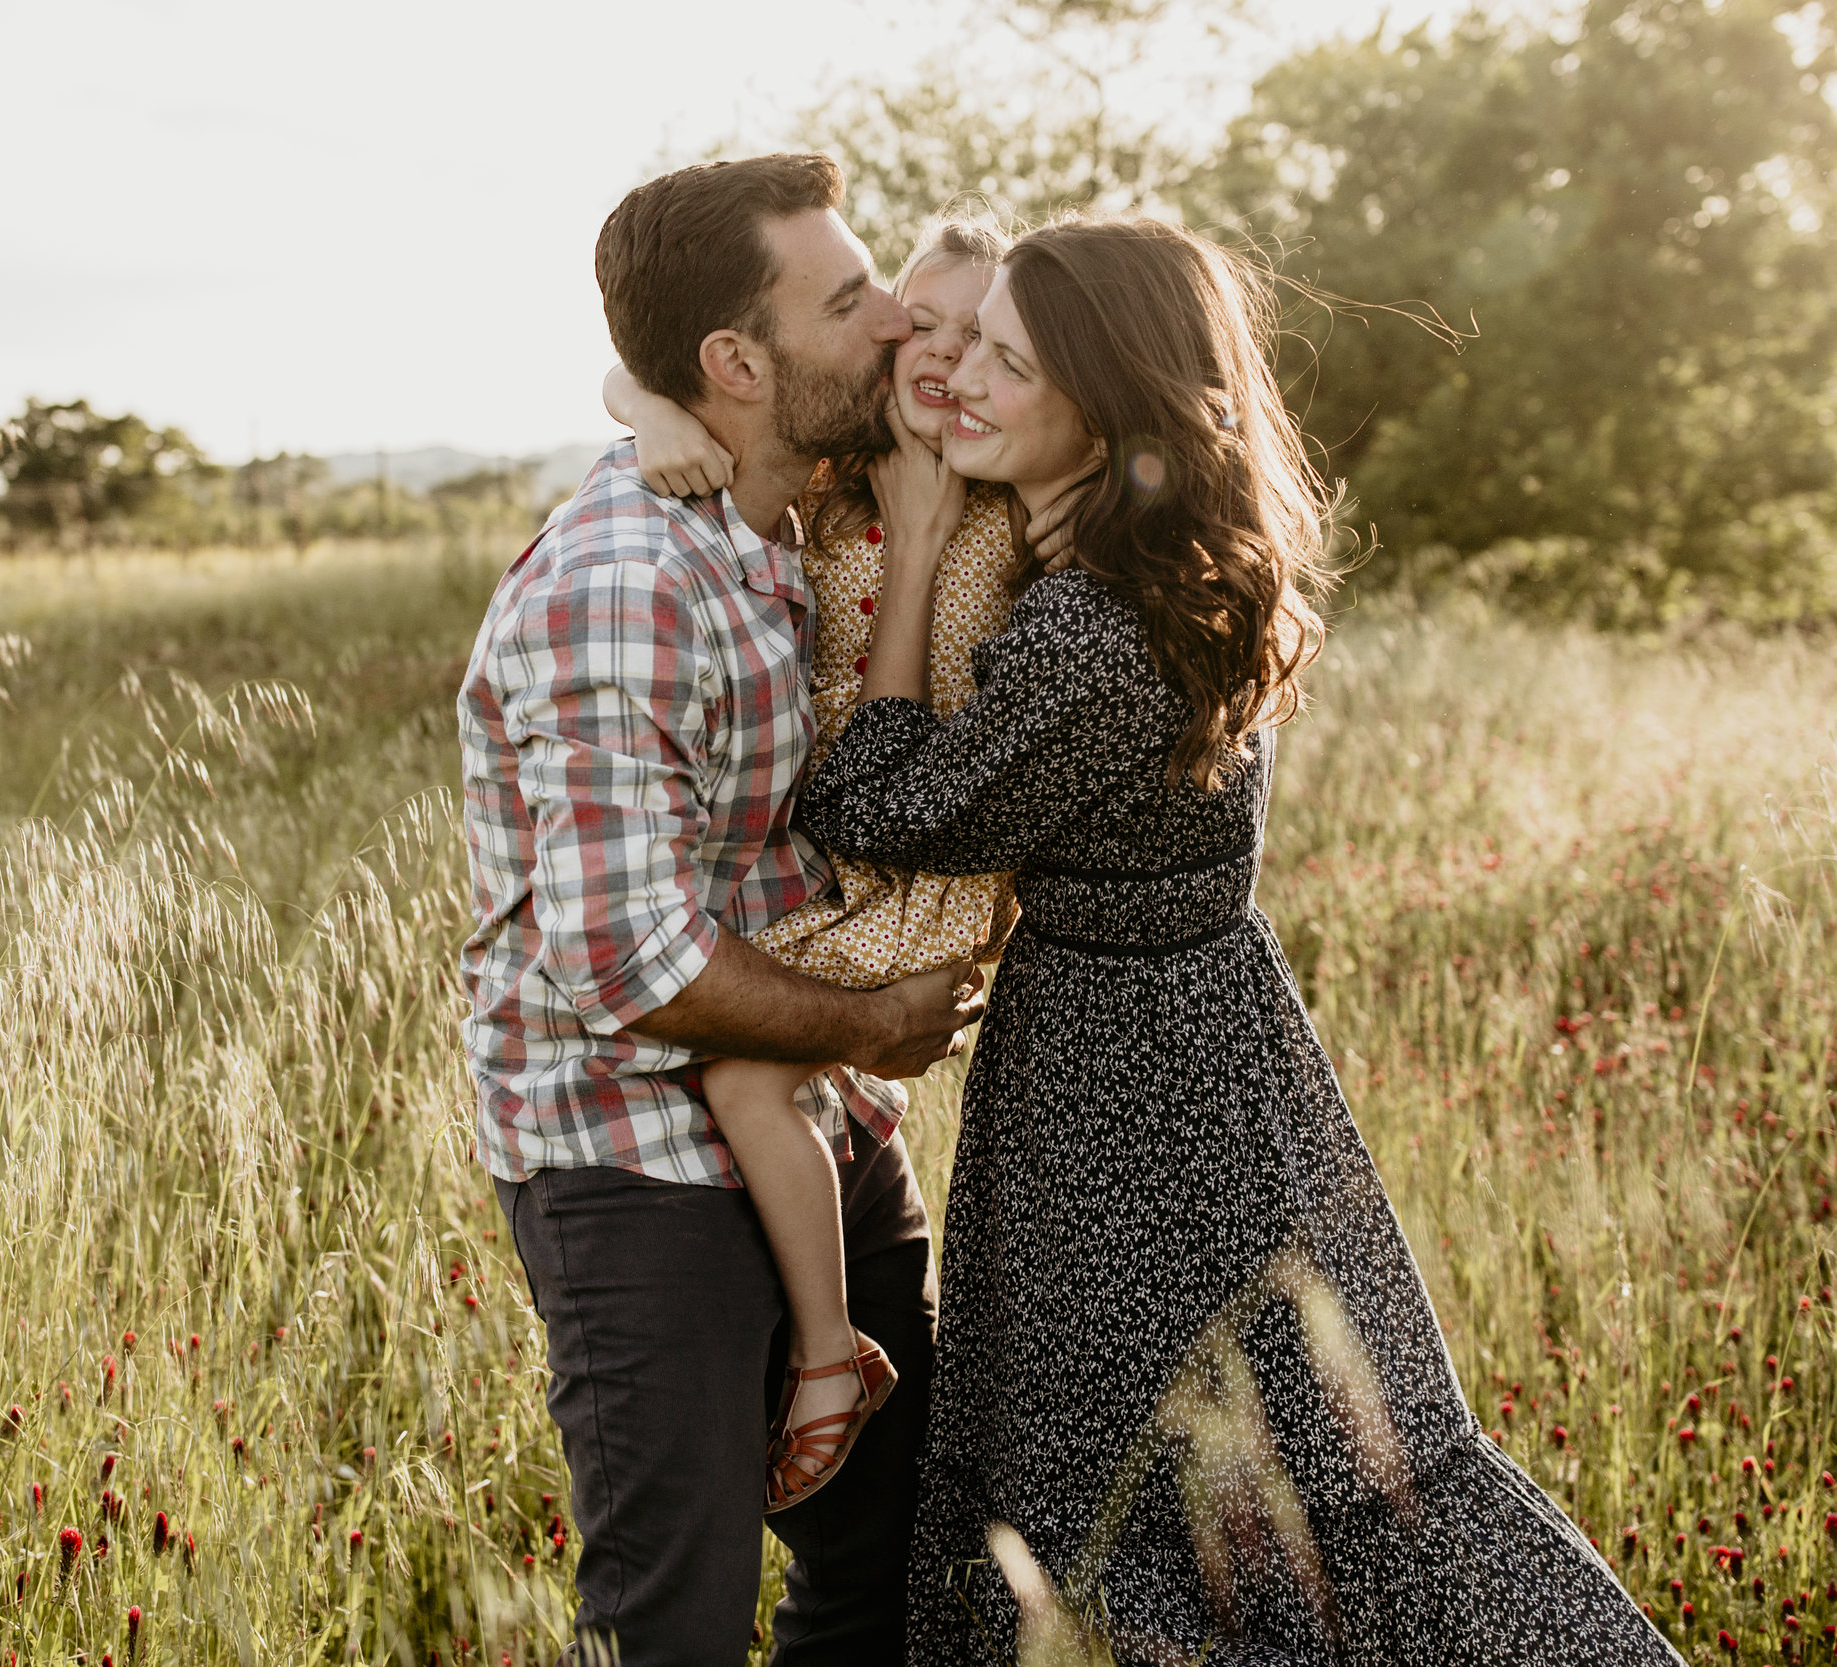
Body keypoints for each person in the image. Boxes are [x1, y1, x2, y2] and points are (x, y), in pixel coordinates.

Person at [795, 213, 1683, 1662]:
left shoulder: (1094, 630)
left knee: (1125, 1487)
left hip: (1119, 1088)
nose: (971, 380)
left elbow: (879, 803)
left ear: (1108, 400)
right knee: (1281, 1463)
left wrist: (917, 558)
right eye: (973, 344)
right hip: (1207, 1049)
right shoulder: (1163, 568)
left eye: (1012, 362)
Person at [455, 153, 986, 1665]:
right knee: (672, 1620)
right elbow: (628, 963)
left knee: (890, 1569)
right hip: (633, 1152)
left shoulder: (795, 501)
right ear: (739, 366)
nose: (893, 320)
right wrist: (872, 1022)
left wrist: (649, 402)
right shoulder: (625, 583)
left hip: (814, 1120)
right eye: (850, 298)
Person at [600, 214, 1056, 1514]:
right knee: (744, 1061)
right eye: (927, 316)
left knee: (746, 1067)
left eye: (986, 338)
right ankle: (821, 1347)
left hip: (929, 873)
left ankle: (825, 1357)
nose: (949, 354)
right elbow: (664, 374)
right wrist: (647, 408)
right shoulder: (831, 484)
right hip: (851, 864)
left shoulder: (1010, 508)